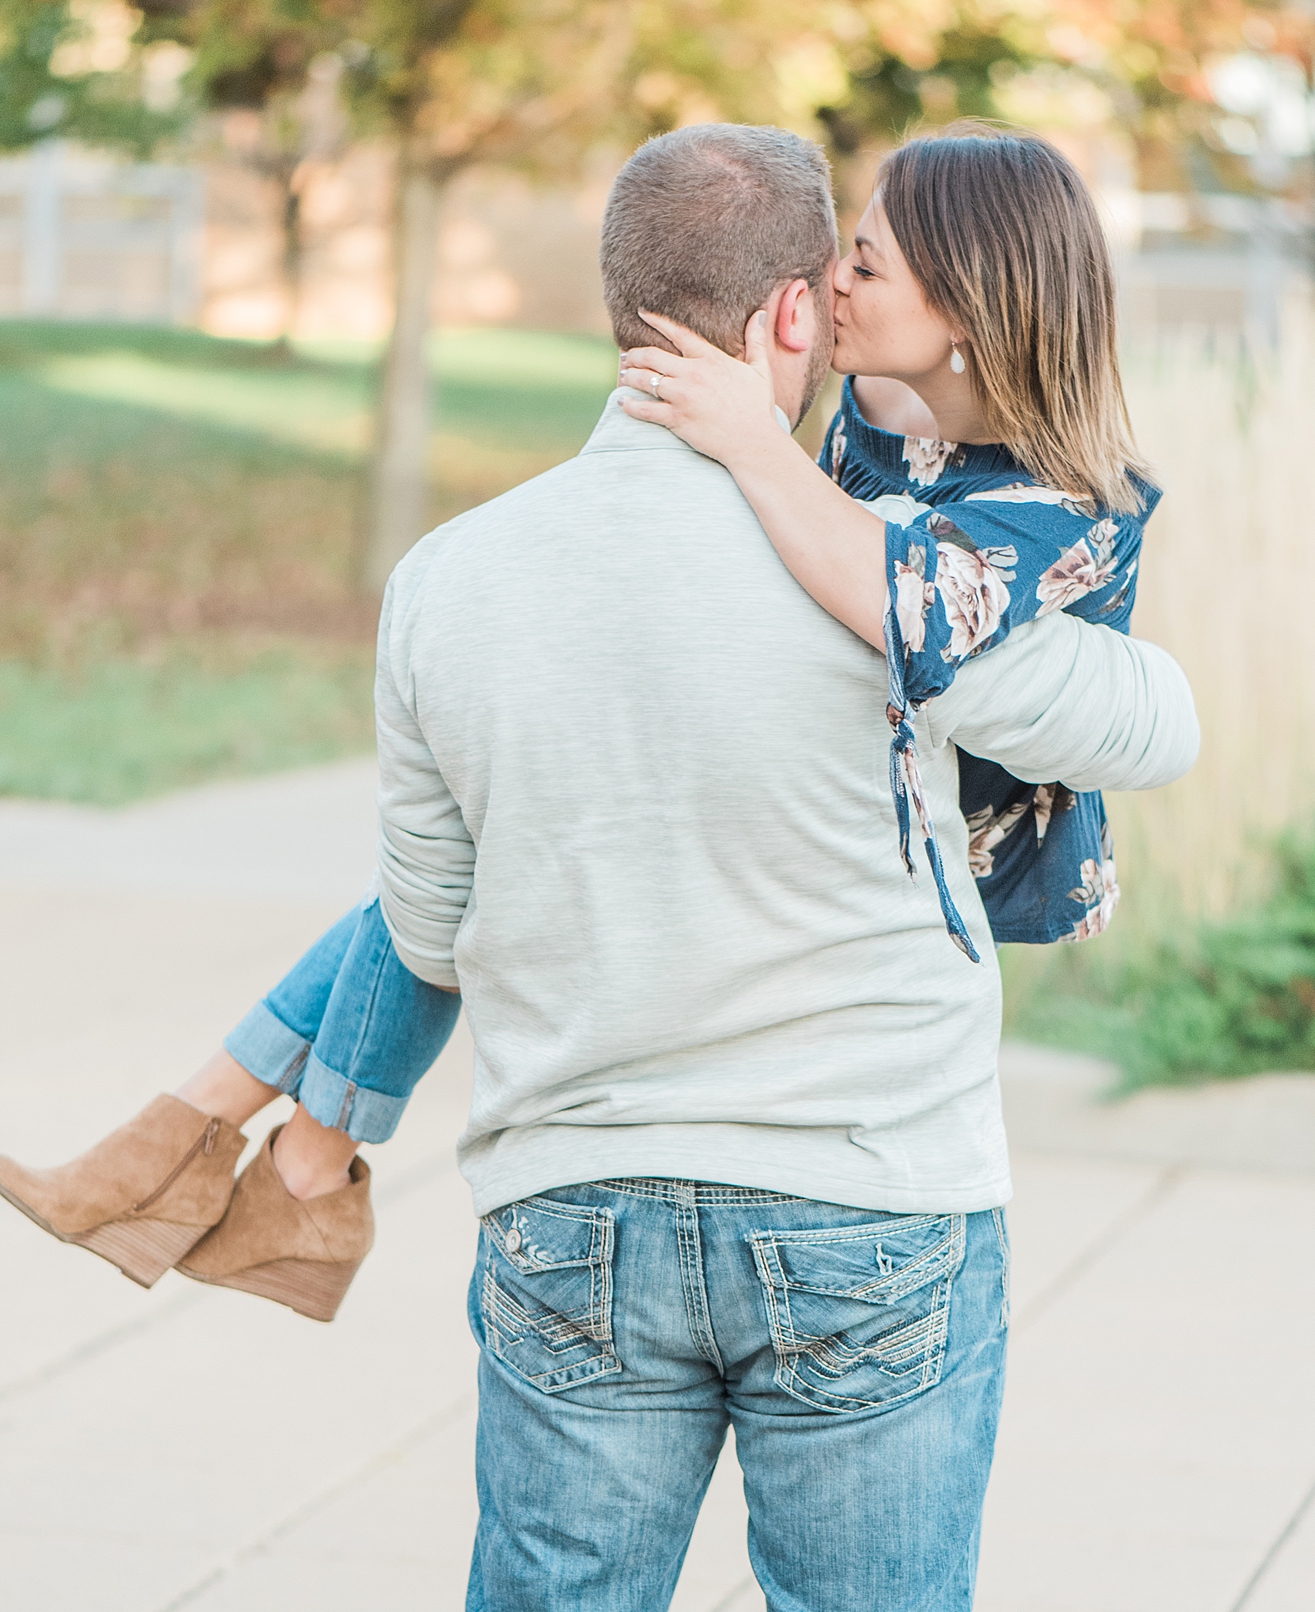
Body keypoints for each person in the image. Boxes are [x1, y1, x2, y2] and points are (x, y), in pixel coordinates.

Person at [1, 123, 1197, 1609]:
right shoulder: (877, 559)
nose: (836, 297)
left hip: (580, 1200)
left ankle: (219, 1133)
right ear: (781, 318)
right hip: (867, 1191)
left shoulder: (462, 578)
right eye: (825, 276)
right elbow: (1145, 719)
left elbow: (432, 926)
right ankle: (220, 1134)